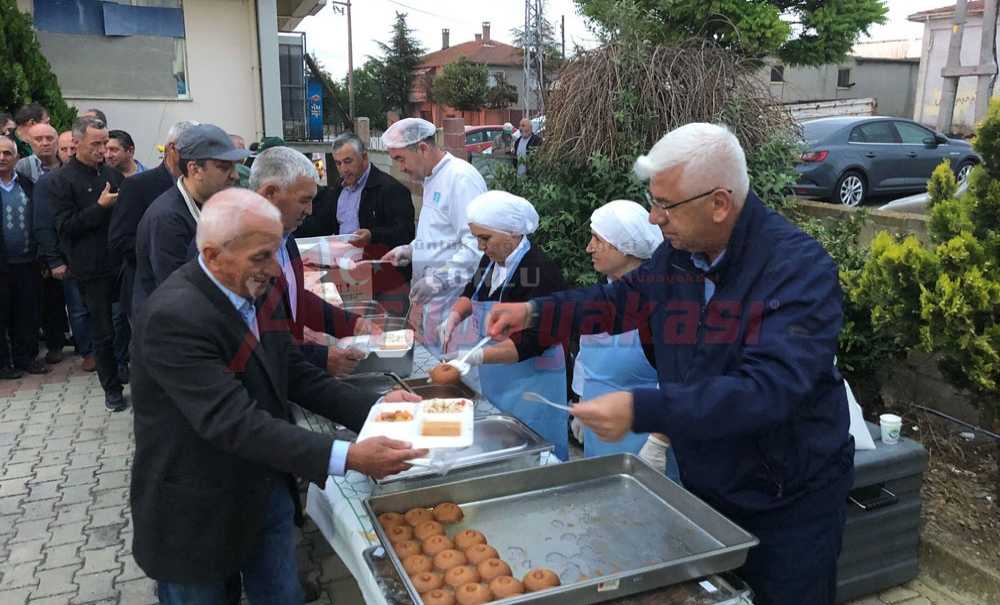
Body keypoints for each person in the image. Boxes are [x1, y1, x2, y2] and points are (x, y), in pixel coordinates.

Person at [486, 123, 854, 605]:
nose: (655, 218)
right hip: (709, 479)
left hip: (787, 495)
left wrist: (645, 409)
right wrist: (535, 311)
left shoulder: (797, 271)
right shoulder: (680, 256)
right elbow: (618, 301)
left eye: (665, 205)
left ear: (719, 204)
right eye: (652, 201)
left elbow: (767, 390)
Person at [130, 188, 427, 604]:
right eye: (260, 257)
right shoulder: (175, 317)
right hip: (198, 508)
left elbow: (293, 373)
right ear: (213, 256)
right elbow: (232, 421)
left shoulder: (258, 288)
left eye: (274, 252)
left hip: (265, 487)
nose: (274, 269)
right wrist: (348, 456)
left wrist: (377, 409)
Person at [437, 191, 570, 459]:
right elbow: (471, 292)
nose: (480, 246)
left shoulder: (540, 271)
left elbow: (533, 340)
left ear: (512, 233)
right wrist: (453, 316)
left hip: (533, 385)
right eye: (477, 238)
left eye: (485, 238)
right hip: (499, 382)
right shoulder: (490, 262)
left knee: (536, 456)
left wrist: (479, 355)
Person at [570, 200, 680, 479]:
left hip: (643, 437)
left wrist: (658, 442)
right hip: (600, 430)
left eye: (597, 239)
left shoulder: (663, 307)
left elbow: (679, 380)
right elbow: (585, 358)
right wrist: (581, 403)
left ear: (626, 247)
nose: (588, 248)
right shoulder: (600, 298)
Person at [249, 146, 369, 378]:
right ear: (270, 193)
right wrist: (319, 358)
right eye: (304, 200)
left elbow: (295, 298)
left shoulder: (286, 238)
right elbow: (259, 339)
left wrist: (350, 324)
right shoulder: (242, 252)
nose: (310, 210)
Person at [379, 118, 486, 352]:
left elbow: (476, 246)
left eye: (400, 158)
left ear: (423, 148)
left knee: (454, 374)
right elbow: (437, 233)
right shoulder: (432, 178)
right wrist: (411, 249)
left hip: (454, 301)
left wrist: (439, 280)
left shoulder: (460, 178)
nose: (401, 168)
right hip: (433, 303)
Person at [48, 115, 127, 411]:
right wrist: (99, 208)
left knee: (129, 322)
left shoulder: (112, 175)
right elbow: (66, 227)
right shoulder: (61, 181)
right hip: (90, 269)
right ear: (77, 142)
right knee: (103, 331)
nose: (102, 149)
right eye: (96, 143)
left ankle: (126, 368)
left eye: (105, 143)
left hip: (121, 263)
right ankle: (112, 388)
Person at [132, 123, 246, 316]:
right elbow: (176, 289)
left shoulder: (213, 204)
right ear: (195, 169)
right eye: (224, 167)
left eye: (235, 166)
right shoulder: (167, 218)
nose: (234, 175)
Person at [297, 133, 415, 309]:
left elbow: (405, 233)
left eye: (348, 161)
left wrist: (372, 235)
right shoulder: (339, 189)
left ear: (364, 157)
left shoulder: (391, 189)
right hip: (348, 276)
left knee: (390, 330)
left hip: (387, 280)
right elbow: (323, 224)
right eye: (338, 163)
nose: (343, 169)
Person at [109, 120, 197, 320]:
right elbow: (119, 241)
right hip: (149, 293)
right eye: (195, 149)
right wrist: (161, 247)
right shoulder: (138, 185)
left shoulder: (202, 188)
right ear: (172, 149)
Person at [0, 136, 48, 378]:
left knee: (27, 313)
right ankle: (3, 365)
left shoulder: (28, 184)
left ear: (17, 157)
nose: (2, 158)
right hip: (2, 265)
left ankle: (26, 358)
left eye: (8, 153)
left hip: (28, 262)